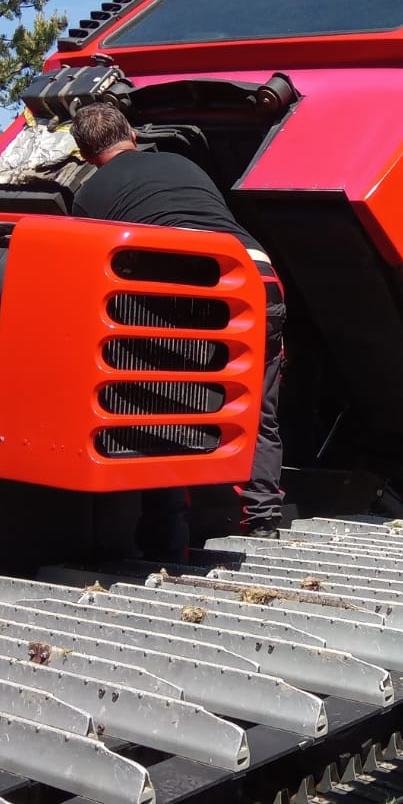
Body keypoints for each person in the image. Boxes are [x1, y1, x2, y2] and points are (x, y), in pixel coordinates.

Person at [70, 101, 287, 539]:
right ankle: (262, 519)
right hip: (258, 277)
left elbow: (92, 269)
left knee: (162, 403)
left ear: (85, 155)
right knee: (256, 407)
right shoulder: (181, 163)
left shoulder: (88, 195)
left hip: (192, 288)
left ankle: (165, 529)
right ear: (131, 134)